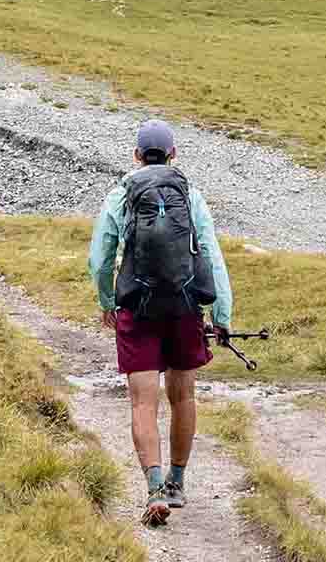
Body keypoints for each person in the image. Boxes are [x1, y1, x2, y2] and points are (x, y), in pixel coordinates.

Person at [88, 119, 233, 528]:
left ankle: (153, 488)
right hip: (185, 308)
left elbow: (100, 257)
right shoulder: (190, 195)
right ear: (174, 154)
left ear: (136, 156)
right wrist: (220, 315)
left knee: (142, 402)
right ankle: (177, 482)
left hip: (138, 307)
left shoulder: (122, 194)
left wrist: (107, 301)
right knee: (183, 396)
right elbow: (211, 255)